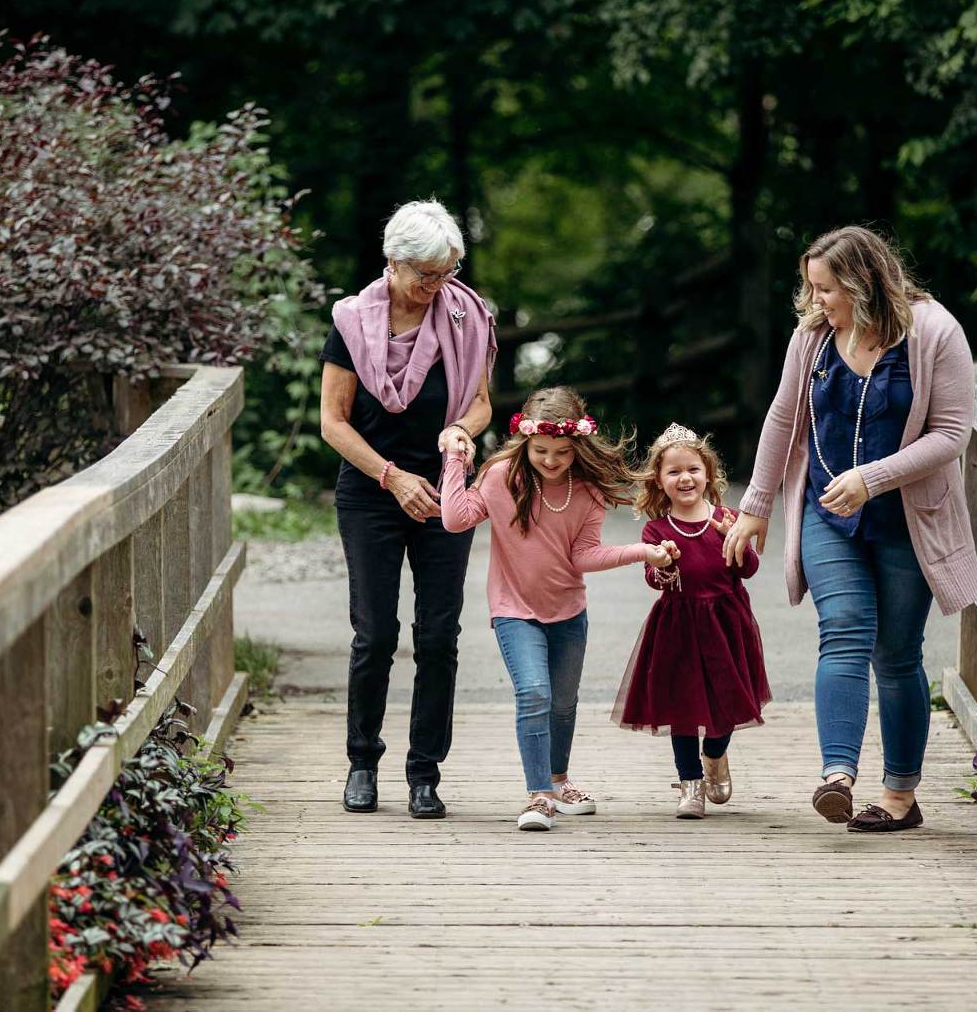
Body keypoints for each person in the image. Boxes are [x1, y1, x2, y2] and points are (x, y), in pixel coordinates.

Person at [722, 225, 977, 834]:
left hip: (907, 522)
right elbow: (783, 417)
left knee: (895, 654)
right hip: (826, 511)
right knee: (842, 630)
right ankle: (837, 775)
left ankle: (899, 795)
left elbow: (951, 434)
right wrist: (755, 505)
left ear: (863, 285)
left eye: (827, 290)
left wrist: (873, 478)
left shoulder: (934, 333)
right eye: (810, 289)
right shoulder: (812, 337)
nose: (816, 303)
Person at [319, 199, 495, 820]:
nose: (436, 287)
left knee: (438, 635)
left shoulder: (466, 316)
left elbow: (479, 403)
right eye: (424, 274)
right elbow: (333, 424)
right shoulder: (349, 321)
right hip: (373, 491)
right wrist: (393, 478)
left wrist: (463, 434)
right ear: (392, 262)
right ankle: (361, 763)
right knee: (376, 634)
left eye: (445, 273)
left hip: (446, 493)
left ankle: (425, 773)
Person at [440, 387, 676, 831]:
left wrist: (641, 552)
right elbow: (455, 519)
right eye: (542, 451)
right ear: (525, 441)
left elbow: (582, 556)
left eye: (563, 452)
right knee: (534, 693)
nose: (551, 460)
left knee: (563, 704)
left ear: (578, 447)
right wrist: (455, 459)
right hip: (514, 608)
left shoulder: (584, 490)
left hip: (568, 610)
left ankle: (559, 779)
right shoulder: (500, 477)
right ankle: (539, 796)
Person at [613, 423, 770, 819]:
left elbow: (748, 569)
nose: (685, 478)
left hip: (725, 622)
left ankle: (715, 755)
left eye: (693, 470)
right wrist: (662, 563)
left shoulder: (725, 518)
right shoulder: (657, 529)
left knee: (728, 701)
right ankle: (690, 783)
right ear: (659, 481)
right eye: (674, 472)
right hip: (678, 625)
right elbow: (653, 578)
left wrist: (736, 536)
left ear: (708, 474)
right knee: (682, 706)